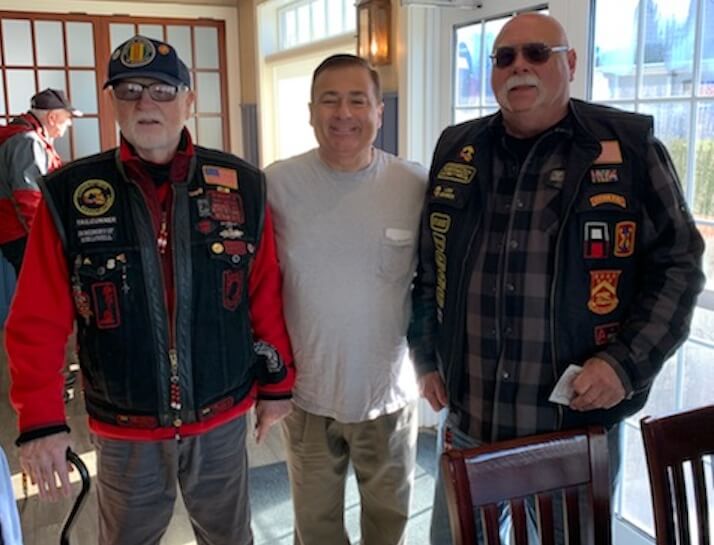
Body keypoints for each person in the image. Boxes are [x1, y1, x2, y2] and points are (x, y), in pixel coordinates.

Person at [410, 12, 706, 544]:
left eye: (537, 53)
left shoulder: (628, 147)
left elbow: (679, 265)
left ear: (569, 63)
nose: (519, 66)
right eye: (505, 57)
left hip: (571, 432)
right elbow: (431, 263)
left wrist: (626, 363)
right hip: (471, 421)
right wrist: (426, 354)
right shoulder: (458, 149)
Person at [5, 34, 294, 545]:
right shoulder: (71, 194)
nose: (145, 103)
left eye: (162, 90)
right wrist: (42, 420)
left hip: (221, 415)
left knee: (230, 538)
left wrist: (276, 385)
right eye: (130, 89)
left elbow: (263, 293)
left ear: (188, 100)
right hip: (123, 424)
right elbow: (37, 318)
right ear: (111, 101)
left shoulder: (242, 184)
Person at [265, 54, 427, 545]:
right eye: (329, 100)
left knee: (388, 525)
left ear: (380, 111)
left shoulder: (414, 184)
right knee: (314, 530)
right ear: (310, 111)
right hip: (307, 397)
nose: (344, 113)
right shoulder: (275, 183)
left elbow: (440, 282)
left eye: (358, 100)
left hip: (389, 395)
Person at [0, 88, 81, 276]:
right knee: (43, 285)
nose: (69, 124)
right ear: (52, 117)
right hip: (22, 234)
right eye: (67, 118)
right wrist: (44, 239)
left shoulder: (24, 137)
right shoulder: (27, 141)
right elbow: (28, 197)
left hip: (14, 231)